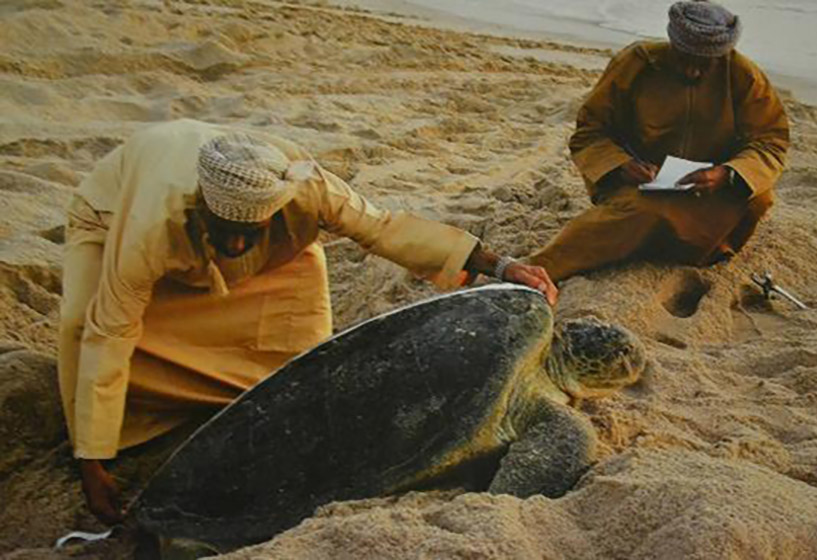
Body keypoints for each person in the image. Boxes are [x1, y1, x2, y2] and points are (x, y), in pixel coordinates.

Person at [59, 119, 557, 524]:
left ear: (274, 208)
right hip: (110, 212)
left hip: (255, 231)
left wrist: (499, 265)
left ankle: (237, 399)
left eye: (245, 232)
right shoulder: (152, 223)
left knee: (295, 341)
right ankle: (109, 431)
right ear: (203, 208)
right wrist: (91, 462)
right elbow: (110, 329)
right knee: (84, 325)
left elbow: (387, 229)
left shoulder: (305, 187)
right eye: (226, 231)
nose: (235, 244)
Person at [529, 0, 789, 281]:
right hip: (641, 184)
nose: (693, 72)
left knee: (758, 198)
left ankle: (695, 247)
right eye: (685, 59)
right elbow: (590, 132)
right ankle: (537, 269)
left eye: (705, 64)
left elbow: (770, 142)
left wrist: (727, 173)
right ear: (672, 43)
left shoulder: (744, 76)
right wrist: (621, 164)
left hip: (711, 188)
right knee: (644, 212)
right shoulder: (637, 62)